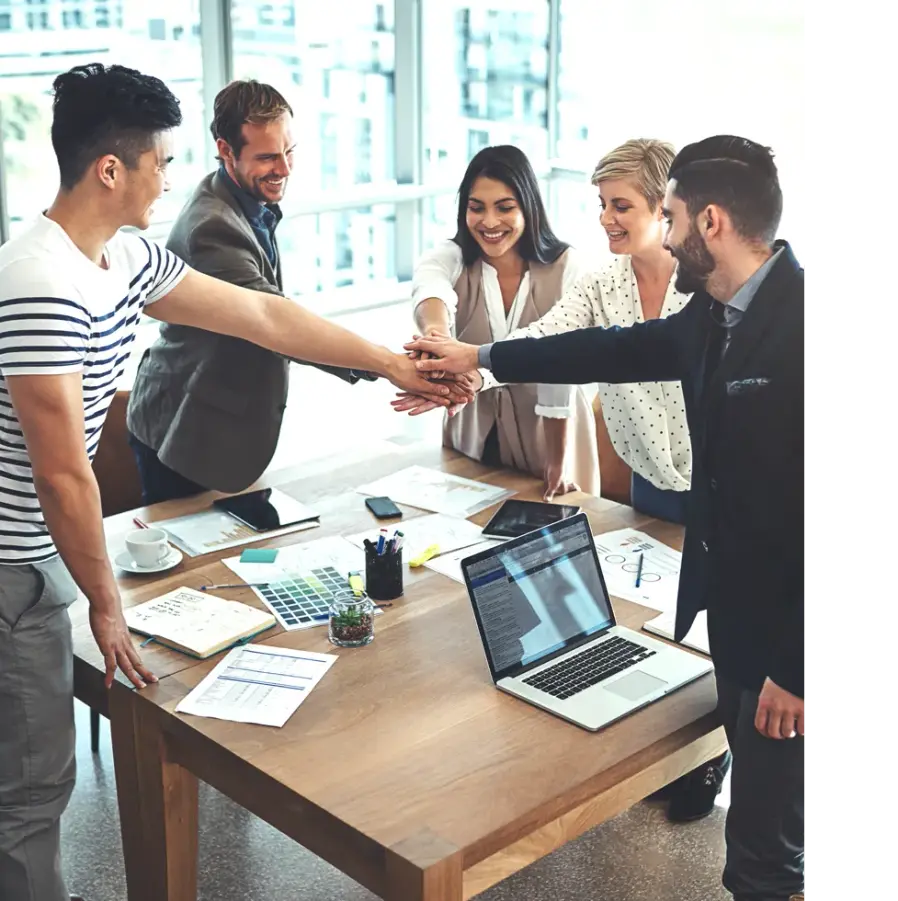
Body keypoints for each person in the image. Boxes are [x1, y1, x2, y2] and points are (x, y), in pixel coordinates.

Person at [0, 63, 457, 901]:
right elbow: (64, 473)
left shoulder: (124, 256)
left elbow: (263, 315)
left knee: (30, 781)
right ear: (112, 169)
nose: (169, 179)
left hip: (38, 555)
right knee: (29, 796)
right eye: (160, 163)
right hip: (13, 564)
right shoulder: (39, 281)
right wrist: (105, 604)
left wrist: (396, 363)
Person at [403, 135, 808, 901]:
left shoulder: (810, 323)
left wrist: (798, 666)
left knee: (766, 847)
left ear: (710, 221)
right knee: (762, 825)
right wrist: (478, 358)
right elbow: (605, 348)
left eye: (675, 216)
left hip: (790, 637)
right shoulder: (714, 317)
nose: (667, 228)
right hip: (743, 611)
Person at [126, 79, 380, 505]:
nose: (284, 168)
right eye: (266, 157)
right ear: (227, 151)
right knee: (194, 564)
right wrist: (384, 363)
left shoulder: (240, 196)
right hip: (183, 431)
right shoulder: (212, 227)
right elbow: (272, 320)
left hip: (210, 415)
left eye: (289, 151)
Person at [409, 144, 600, 501]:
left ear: (528, 206)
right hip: (471, 433)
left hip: (552, 433)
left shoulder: (567, 267)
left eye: (505, 207)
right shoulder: (451, 257)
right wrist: (437, 339)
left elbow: (559, 361)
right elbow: (430, 288)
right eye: (476, 207)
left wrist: (557, 461)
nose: (490, 222)